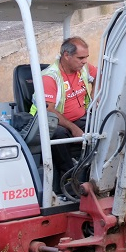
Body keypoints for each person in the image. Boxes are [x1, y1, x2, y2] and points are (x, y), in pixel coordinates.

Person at [35, 37, 98, 171]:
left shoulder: (84, 68)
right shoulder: (50, 78)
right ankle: (68, 176)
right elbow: (49, 110)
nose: (85, 61)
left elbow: (100, 75)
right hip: (53, 123)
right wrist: (73, 128)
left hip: (80, 118)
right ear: (67, 55)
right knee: (58, 134)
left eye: (86, 57)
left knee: (104, 123)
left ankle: (96, 170)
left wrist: (95, 92)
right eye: (80, 58)